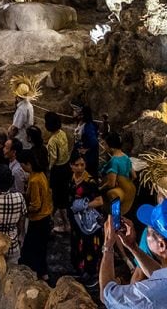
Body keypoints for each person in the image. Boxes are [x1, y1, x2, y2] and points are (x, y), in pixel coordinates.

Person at [100, 198, 167, 308]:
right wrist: (133, 247)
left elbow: (106, 295)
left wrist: (108, 246)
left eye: (148, 231)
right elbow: (160, 274)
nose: (145, 235)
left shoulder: (150, 294)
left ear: (162, 245)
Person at [68, 151, 103, 285]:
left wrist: (84, 206)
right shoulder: (71, 178)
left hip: (88, 222)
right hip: (76, 221)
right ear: (71, 166)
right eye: (77, 165)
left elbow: (99, 201)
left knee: (89, 247)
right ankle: (80, 271)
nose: (80, 168)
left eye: (82, 165)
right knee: (77, 244)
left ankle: (91, 274)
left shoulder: (90, 182)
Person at [19, 150, 54, 280]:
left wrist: (24, 210)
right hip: (45, 217)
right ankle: (43, 273)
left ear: (27, 164)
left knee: (31, 250)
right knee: (41, 249)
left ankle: (36, 275)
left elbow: (36, 205)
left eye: (21, 164)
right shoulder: (41, 174)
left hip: (38, 220)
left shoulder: (34, 180)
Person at [45, 112, 72, 233]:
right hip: (66, 166)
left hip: (57, 170)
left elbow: (53, 157)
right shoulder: (63, 133)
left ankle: (63, 223)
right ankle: (65, 221)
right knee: (64, 195)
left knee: (57, 197)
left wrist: (49, 169)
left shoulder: (52, 141)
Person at [100, 131, 136, 215]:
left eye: (105, 144)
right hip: (126, 194)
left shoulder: (114, 161)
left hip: (116, 196)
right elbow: (134, 176)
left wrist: (100, 188)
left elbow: (111, 184)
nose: (104, 146)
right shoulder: (126, 157)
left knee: (114, 217)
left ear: (111, 147)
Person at [75, 106, 99, 177]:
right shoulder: (83, 123)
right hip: (86, 154)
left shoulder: (89, 126)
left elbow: (94, 142)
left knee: (89, 174)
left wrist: (86, 149)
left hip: (89, 156)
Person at [11, 83, 36, 148]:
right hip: (28, 136)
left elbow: (15, 127)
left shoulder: (21, 109)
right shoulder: (29, 105)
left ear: (17, 96)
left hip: (21, 139)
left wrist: (10, 136)